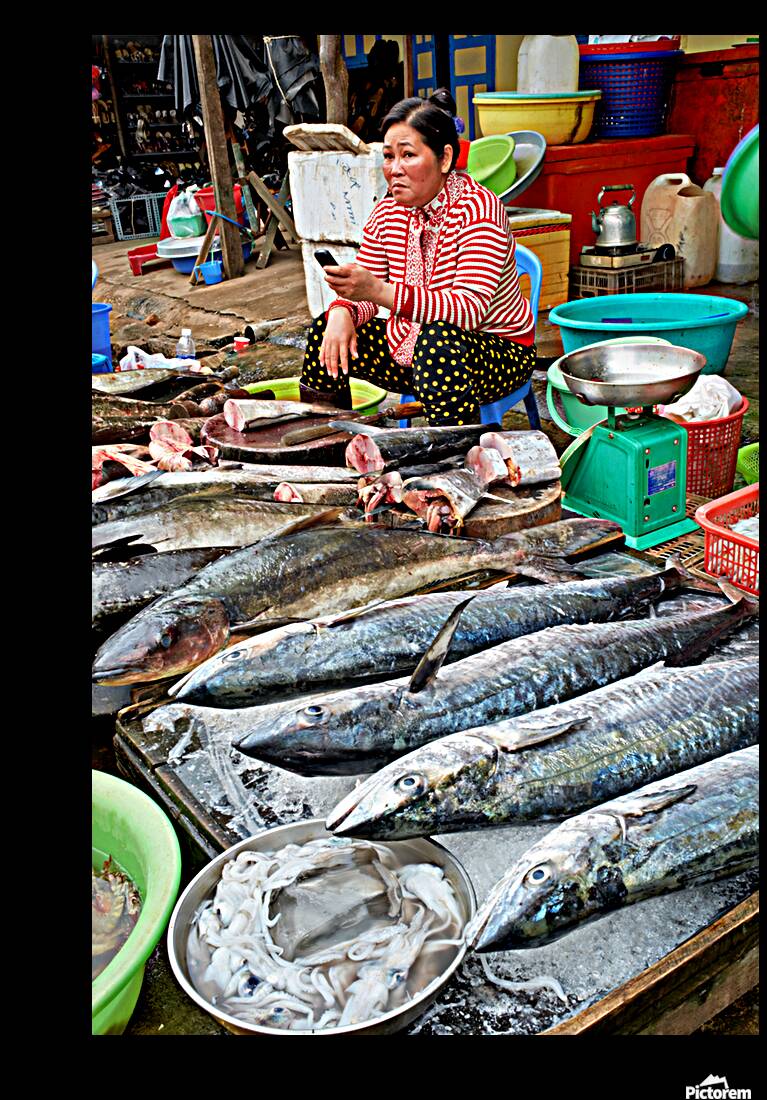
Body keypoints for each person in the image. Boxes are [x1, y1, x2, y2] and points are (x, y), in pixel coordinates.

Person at [299, 90, 536, 425]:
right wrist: (344, 310)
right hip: (412, 348)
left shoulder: (478, 209)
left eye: (407, 155)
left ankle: (454, 460)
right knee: (327, 330)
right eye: (388, 157)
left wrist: (380, 291)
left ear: (444, 158)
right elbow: (366, 287)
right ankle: (328, 444)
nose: (394, 169)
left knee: (438, 343)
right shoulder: (386, 212)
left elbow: (468, 310)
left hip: (495, 352)